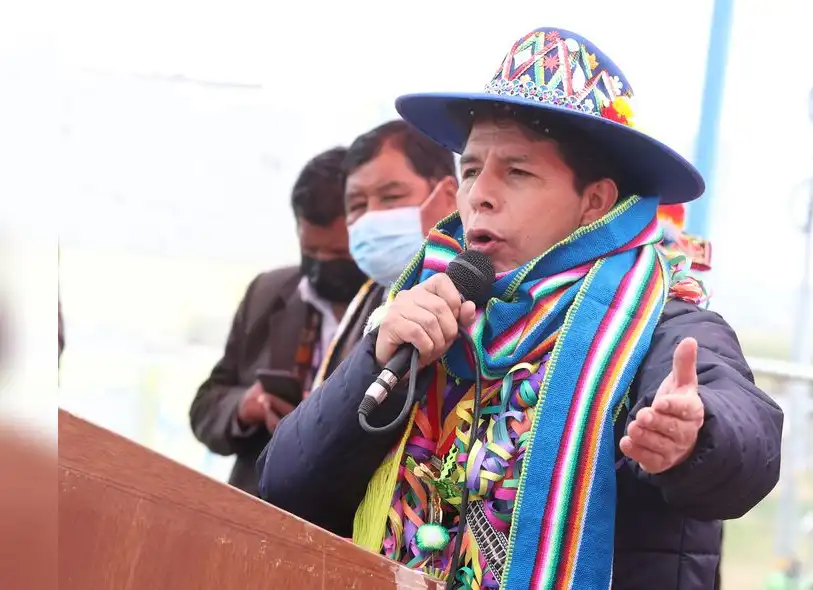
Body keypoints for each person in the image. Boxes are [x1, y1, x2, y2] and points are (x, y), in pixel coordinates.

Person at [258, 27, 783, 589]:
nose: (480, 193)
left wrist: (696, 437)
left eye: (517, 172)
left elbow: (749, 441)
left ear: (594, 202)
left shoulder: (658, 322)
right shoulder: (424, 308)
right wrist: (377, 357)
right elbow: (286, 487)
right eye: (469, 170)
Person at [189, 147, 368, 496]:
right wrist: (247, 406)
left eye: (337, 256)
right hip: (254, 506)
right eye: (310, 252)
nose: (320, 266)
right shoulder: (267, 293)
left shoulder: (395, 304)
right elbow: (205, 406)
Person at [309, 120, 458, 389]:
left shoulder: (470, 297)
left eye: (390, 197)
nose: (371, 215)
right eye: (356, 204)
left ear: (448, 197)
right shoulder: (368, 295)